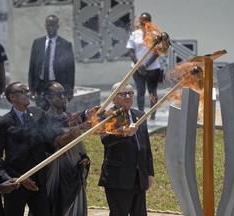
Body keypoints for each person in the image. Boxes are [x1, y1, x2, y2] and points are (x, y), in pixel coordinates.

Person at [0, 82, 51, 216]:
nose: (27, 94)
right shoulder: (4, 122)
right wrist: (16, 178)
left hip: (38, 182)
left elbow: (56, 122)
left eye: (27, 91)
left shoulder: (37, 113)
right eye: (23, 92)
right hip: (16, 185)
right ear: (12, 97)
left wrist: (83, 116)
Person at [98, 82, 154, 216]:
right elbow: (105, 140)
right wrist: (123, 132)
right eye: (123, 94)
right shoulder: (107, 116)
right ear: (113, 98)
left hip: (138, 177)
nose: (128, 96)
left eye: (130, 93)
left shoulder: (139, 115)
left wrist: (149, 172)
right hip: (118, 178)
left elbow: (146, 146)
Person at [42, 81, 91, 216]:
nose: (63, 97)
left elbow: (79, 146)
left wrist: (84, 159)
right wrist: (78, 128)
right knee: (57, 205)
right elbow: (57, 143)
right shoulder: (45, 119)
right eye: (59, 95)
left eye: (65, 94)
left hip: (75, 170)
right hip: (56, 172)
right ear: (48, 98)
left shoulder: (71, 117)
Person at [28, 15, 75, 110]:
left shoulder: (65, 44)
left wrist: (69, 91)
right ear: (45, 25)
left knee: (58, 113)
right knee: (41, 113)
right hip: (41, 86)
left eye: (53, 25)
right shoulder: (38, 43)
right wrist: (31, 89)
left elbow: (70, 69)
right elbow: (32, 66)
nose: (51, 27)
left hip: (58, 85)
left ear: (57, 26)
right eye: (49, 25)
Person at [126, 12, 162, 122]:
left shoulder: (155, 34)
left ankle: (152, 116)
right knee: (140, 92)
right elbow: (131, 51)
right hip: (137, 69)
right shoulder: (134, 34)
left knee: (152, 92)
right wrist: (139, 65)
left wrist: (146, 65)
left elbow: (157, 52)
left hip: (153, 69)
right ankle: (141, 115)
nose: (144, 22)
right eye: (142, 20)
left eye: (146, 20)